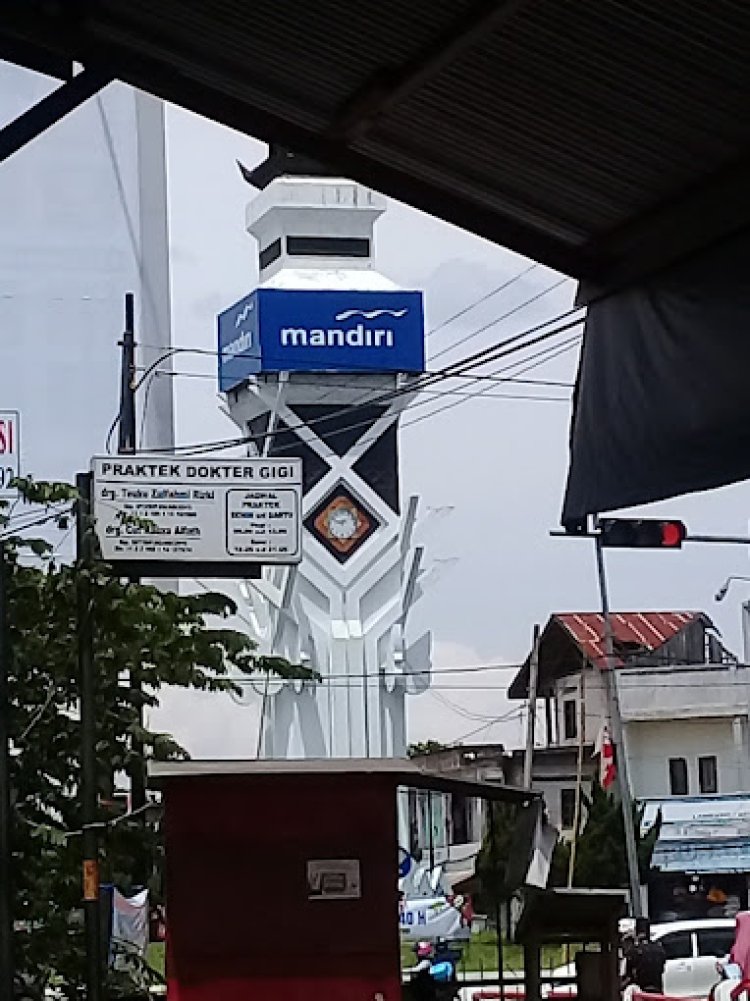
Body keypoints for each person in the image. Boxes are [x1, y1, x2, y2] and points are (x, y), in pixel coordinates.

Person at [623, 918, 667, 996]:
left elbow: (628, 975)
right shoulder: (659, 949)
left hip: (640, 993)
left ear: (636, 932)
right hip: (657, 991)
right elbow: (662, 969)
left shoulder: (633, 951)